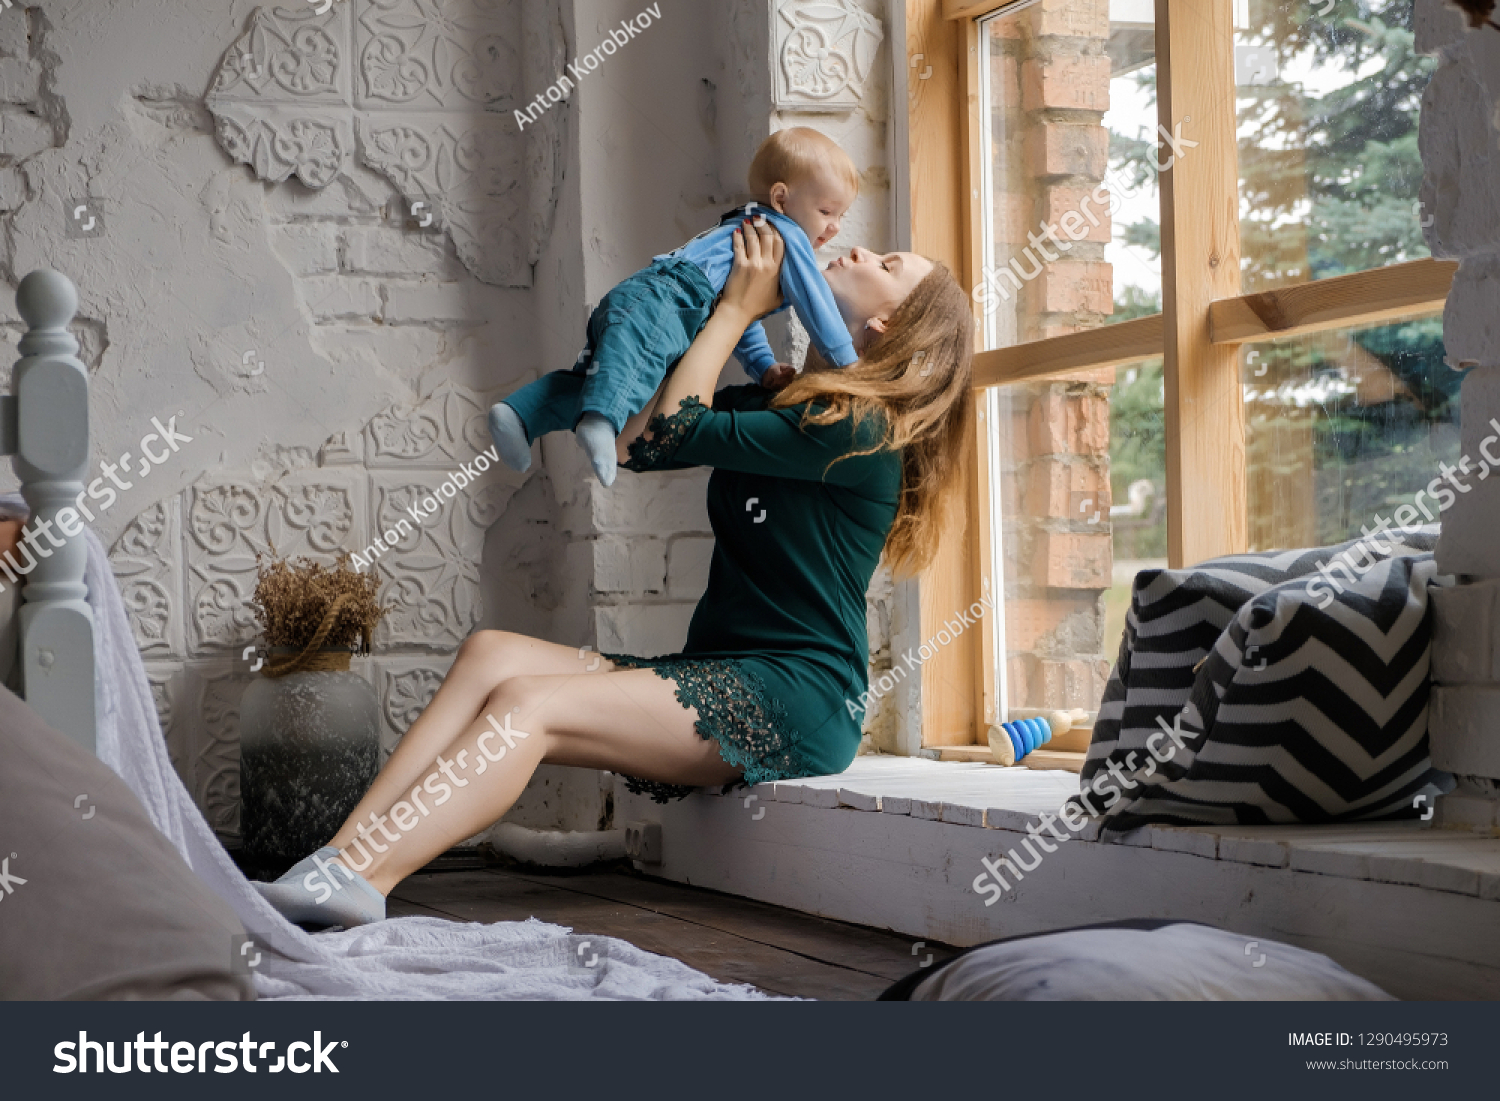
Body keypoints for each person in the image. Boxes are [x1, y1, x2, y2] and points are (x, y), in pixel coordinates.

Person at [256, 218, 974, 929]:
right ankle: (334, 861)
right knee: (492, 654)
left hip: (796, 692)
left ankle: (365, 878)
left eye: (886, 262)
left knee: (525, 704)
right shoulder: (777, 402)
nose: (855, 250)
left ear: (885, 322)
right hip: (724, 667)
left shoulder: (862, 428)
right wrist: (710, 305)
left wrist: (733, 309)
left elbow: (677, 427)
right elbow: (639, 443)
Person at [489, 127, 862, 487]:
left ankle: (519, 414)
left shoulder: (747, 228)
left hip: (644, 297)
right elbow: (817, 305)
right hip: (670, 300)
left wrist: (762, 366)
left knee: (598, 377)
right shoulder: (787, 233)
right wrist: (848, 365)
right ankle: (599, 421)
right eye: (828, 212)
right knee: (631, 371)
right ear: (781, 198)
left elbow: (736, 312)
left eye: (842, 216)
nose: (835, 228)